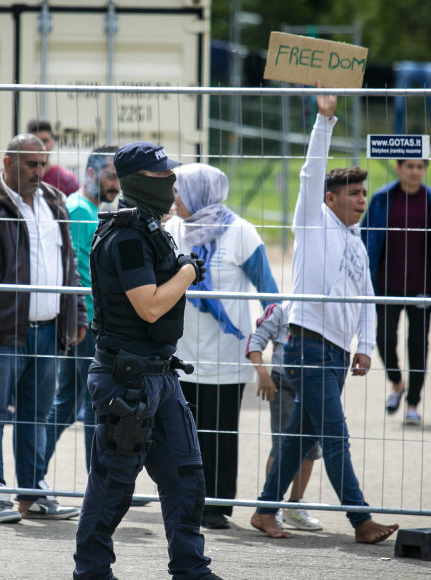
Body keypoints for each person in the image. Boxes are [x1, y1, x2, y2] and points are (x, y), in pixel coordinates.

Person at [248, 88, 400, 544]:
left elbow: (368, 297)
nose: (361, 201)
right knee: (335, 437)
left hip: (336, 354)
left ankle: (263, 511)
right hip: (307, 347)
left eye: (364, 194)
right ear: (329, 199)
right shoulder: (313, 221)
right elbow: (311, 173)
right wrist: (325, 121)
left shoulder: (356, 240)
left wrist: (367, 347)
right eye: (352, 194)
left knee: (298, 439)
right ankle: (361, 520)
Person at [73, 141, 220, 580]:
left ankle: (191, 568)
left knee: (185, 477)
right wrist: (189, 272)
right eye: (162, 177)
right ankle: (92, 571)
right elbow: (151, 306)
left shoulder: (150, 229)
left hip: (158, 374)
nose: (172, 183)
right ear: (138, 183)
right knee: (113, 486)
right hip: (126, 380)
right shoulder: (127, 238)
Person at [0, 133, 86, 524]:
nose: (39, 172)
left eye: (43, 165)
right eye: (31, 165)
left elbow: (68, 266)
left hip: (47, 330)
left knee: (35, 415)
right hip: (0, 333)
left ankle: (32, 491)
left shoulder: (54, 203)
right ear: (8, 163)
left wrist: (77, 314)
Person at [165, 162, 279, 530]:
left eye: (179, 190)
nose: (174, 198)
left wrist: (269, 347)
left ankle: (215, 507)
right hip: (181, 354)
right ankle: (183, 501)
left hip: (227, 356)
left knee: (219, 435)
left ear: (200, 193)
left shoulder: (240, 233)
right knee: (180, 435)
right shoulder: (171, 230)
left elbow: (271, 295)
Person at [41, 145, 120, 478]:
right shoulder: (78, 210)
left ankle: (34, 475)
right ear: (90, 173)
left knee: (68, 402)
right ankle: (98, 481)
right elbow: (73, 269)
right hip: (85, 322)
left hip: (87, 320)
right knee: (91, 402)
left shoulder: (87, 209)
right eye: (110, 176)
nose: (116, 185)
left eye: (119, 178)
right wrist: (82, 317)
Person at [360, 159, 431, 426]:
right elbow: (365, 236)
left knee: (417, 346)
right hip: (386, 285)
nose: (415, 171)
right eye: (410, 166)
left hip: (423, 288)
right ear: (399, 168)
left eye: (420, 166)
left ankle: (413, 404)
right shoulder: (382, 199)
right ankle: (397, 382)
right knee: (383, 338)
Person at [245, 302, 324, 532]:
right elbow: (255, 342)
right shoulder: (281, 309)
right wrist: (263, 374)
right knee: (282, 445)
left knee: (311, 446)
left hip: (315, 382)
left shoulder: (323, 308)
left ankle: (294, 505)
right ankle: (270, 507)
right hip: (284, 383)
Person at [27, 118, 80, 195]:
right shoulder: (19, 177)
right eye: (35, 141)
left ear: (53, 142)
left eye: (45, 141)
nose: (41, 146)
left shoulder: (67, 180)